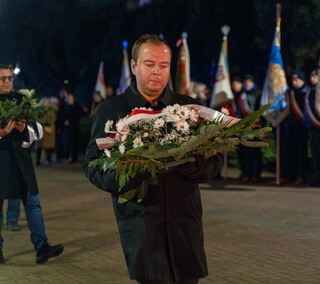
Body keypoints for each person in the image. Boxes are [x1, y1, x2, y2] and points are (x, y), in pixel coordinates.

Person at [83, 34, 223, 283]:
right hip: (141, 223)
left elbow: (215, 160)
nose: (157, 71)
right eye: (149, 64)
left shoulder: (188, 108)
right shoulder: (111, 110)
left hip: (185, 225)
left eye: (164, 65)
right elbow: (92, 165)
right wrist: (125, 175)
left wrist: (194, 166)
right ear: (134, 66)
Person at [0, 64, 63, 264]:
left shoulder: (22, 100)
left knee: (33, 203)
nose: (8, 81)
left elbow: (39, 130)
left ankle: (41, 247)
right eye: (3, 78)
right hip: (1, 160)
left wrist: (24, 129)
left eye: (10, 78)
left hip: (22, 159)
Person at [280, 70, 308, 185]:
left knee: (301, 154)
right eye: (293, 80)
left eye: (297, 80)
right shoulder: (288, 93)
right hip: (289, 127)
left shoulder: (305, 93)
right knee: (288, 153)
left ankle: (301, 176)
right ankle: (289, 176)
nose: (294, 82)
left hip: (301, 127)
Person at [36, 97, 57, 166]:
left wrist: (43, 121)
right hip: (40, 130)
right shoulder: (38, 111)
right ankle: (38, 161)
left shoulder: (51, 111)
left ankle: (48, 159)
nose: (46, 103)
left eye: (48, 102)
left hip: (48, 130)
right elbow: (37, 119)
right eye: (45, 102)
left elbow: (52, 120)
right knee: (39, 146)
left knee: (48, 146)